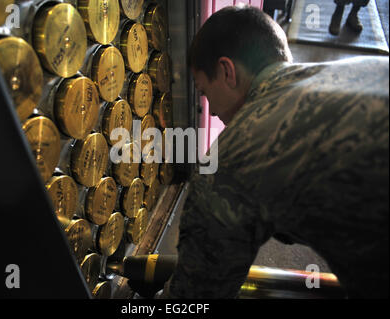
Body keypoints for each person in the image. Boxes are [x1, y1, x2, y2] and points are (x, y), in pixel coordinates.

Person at [129, 5, 388, 299]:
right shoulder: (362, 69)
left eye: (205, 92)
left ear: (227, 71)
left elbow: (193, 300)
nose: (212, 111)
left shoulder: (234, 158)